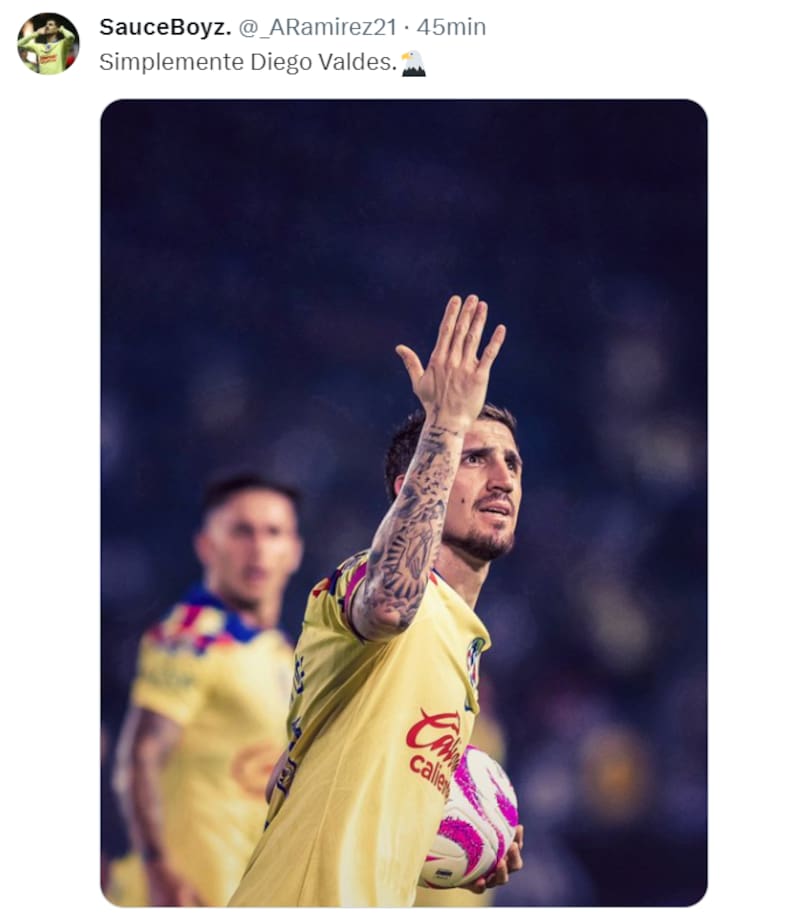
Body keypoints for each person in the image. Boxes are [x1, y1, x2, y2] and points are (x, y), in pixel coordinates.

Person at [229, 294, 524, 907]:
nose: (503, 478)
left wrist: (459, 846)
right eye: (475, 458)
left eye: (513, 464)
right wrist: (444, 425)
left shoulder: (462, 649)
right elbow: (390, 603)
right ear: (413, 483)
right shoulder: (366, 580)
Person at [109, 473, 304, 906]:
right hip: (180, 895)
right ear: (206, 546)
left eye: (273, 532)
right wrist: (158, 868)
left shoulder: (283, 653)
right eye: (241, 531)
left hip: (244, 892)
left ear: (294, 551)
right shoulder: (191, 636)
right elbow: (141, 754)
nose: (258, 548)